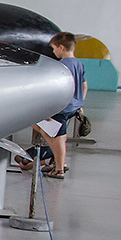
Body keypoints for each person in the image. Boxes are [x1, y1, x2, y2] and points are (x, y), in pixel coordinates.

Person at [38, 31, 88, 179]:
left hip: (62, 107)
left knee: (57, 137)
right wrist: (80, 102)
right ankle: (58, 162)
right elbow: (84, 86)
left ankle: (59, 168)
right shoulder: (79, 64)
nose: (53, 52)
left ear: (61, 47)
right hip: (74, 106)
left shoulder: (61, 66)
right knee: (55, 134)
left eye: (54, 48)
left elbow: (55, 90)